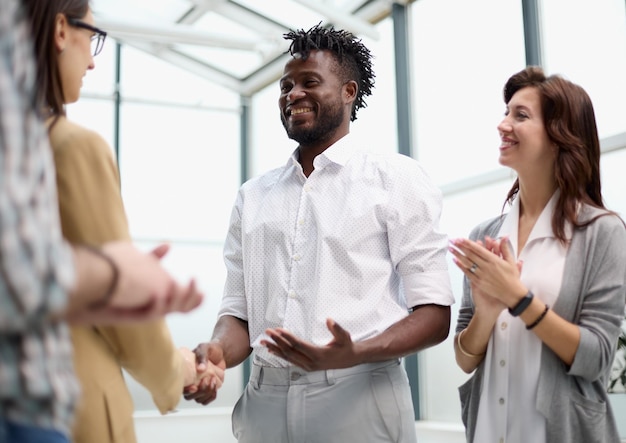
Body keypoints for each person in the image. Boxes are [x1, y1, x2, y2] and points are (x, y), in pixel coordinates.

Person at [184, 24, 454, 443]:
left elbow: (434, 315)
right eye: (286, 85)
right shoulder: (253, 196)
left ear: (349, 92)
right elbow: (239, 311)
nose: (292, 94)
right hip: (264, 401)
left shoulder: (395, 178)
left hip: (358, 394)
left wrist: (355, 352)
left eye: (310, 82)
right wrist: (218, 350)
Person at [19, 1, 225, 442]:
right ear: (60, 30)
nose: (93, 60)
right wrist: (183, 368)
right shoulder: (71, 146)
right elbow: (122, 307)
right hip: (72, 402)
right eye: (91, 37)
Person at [449, 66, 626, 443]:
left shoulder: (602, 232)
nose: (503, 124)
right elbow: (464, 358)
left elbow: (596, 358)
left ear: (560, 135)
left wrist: (518, 298)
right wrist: (487, 312)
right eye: (506, 112)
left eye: (521, 115)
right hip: (489, 432)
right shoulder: (486, 235)